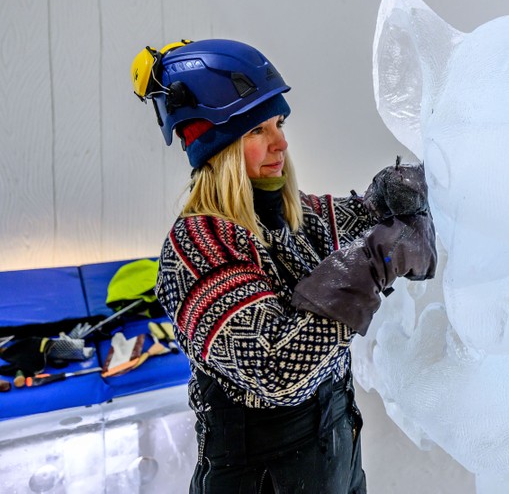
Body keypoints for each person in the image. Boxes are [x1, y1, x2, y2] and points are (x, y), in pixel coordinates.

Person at [130, 38, 437, 493]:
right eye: (258, 130)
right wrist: (374, 261)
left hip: (335, 461)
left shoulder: (292, 216)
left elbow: (361, 219)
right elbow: (275, 367)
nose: (281, 142)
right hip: (260, 479)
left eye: (279, 122)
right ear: (218, 145)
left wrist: (398, 194)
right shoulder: (197, 247)